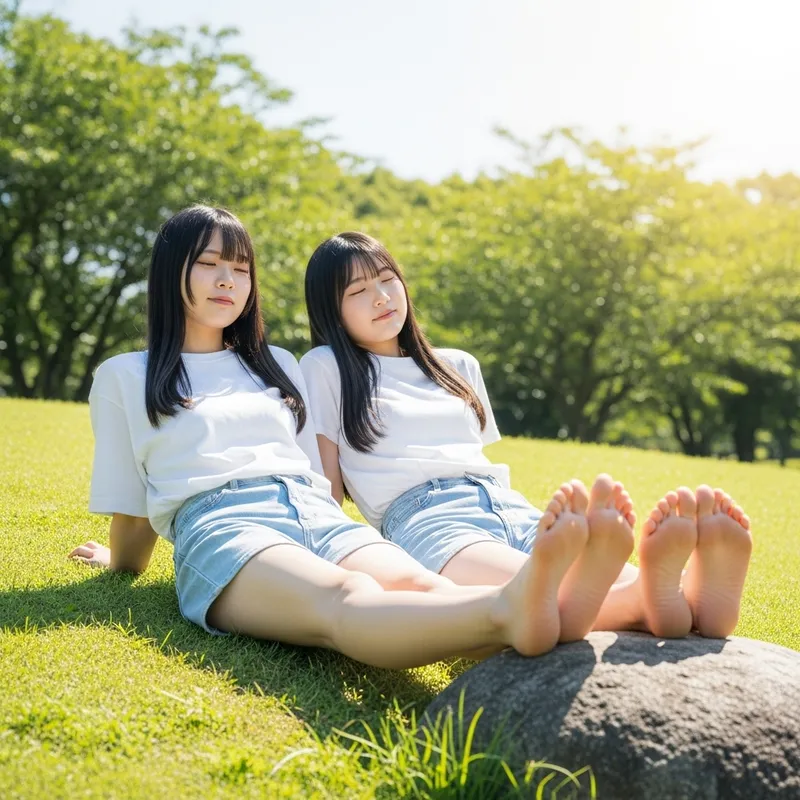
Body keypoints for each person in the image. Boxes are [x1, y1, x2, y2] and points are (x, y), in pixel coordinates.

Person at [69, 204, 600, 668]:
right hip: (224, 523)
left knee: (422, 587)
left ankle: (532, 611)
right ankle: (516, 609)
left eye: (240, 268)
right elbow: (134, 506)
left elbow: (317, 476)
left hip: (314, 512)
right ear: (169, 274)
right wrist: (118, 566)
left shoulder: (275, 364)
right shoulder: (125, 375)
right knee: (346, 597)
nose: (227, 280)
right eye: (208, 264)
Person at [300, 231, 753, 641]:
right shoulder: (325, 367)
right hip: (428, 519)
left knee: (566, 585)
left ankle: (687, 600)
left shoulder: (457, 365)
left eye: (386, 280)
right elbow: (329, 489)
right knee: (532, 592)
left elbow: (475, 453)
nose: (380, 297)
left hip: (506, 505)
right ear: (332, 313)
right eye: (358, 292)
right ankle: (659, 601)